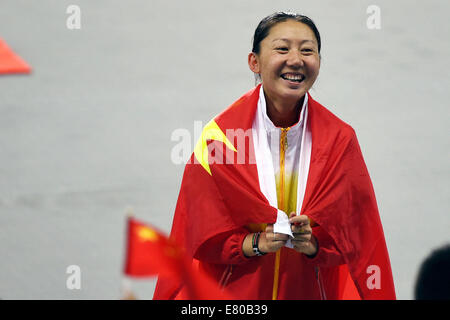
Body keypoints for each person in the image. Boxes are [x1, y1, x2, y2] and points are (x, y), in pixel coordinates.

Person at [153, 11, 396, 300]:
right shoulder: (219, 138)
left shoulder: (340, 139)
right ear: (253, 61)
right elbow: (194, 235)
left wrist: (313, 245)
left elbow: (361, 239)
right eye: (282, 48)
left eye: (307, 50)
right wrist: (255, 243)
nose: (296, 59)